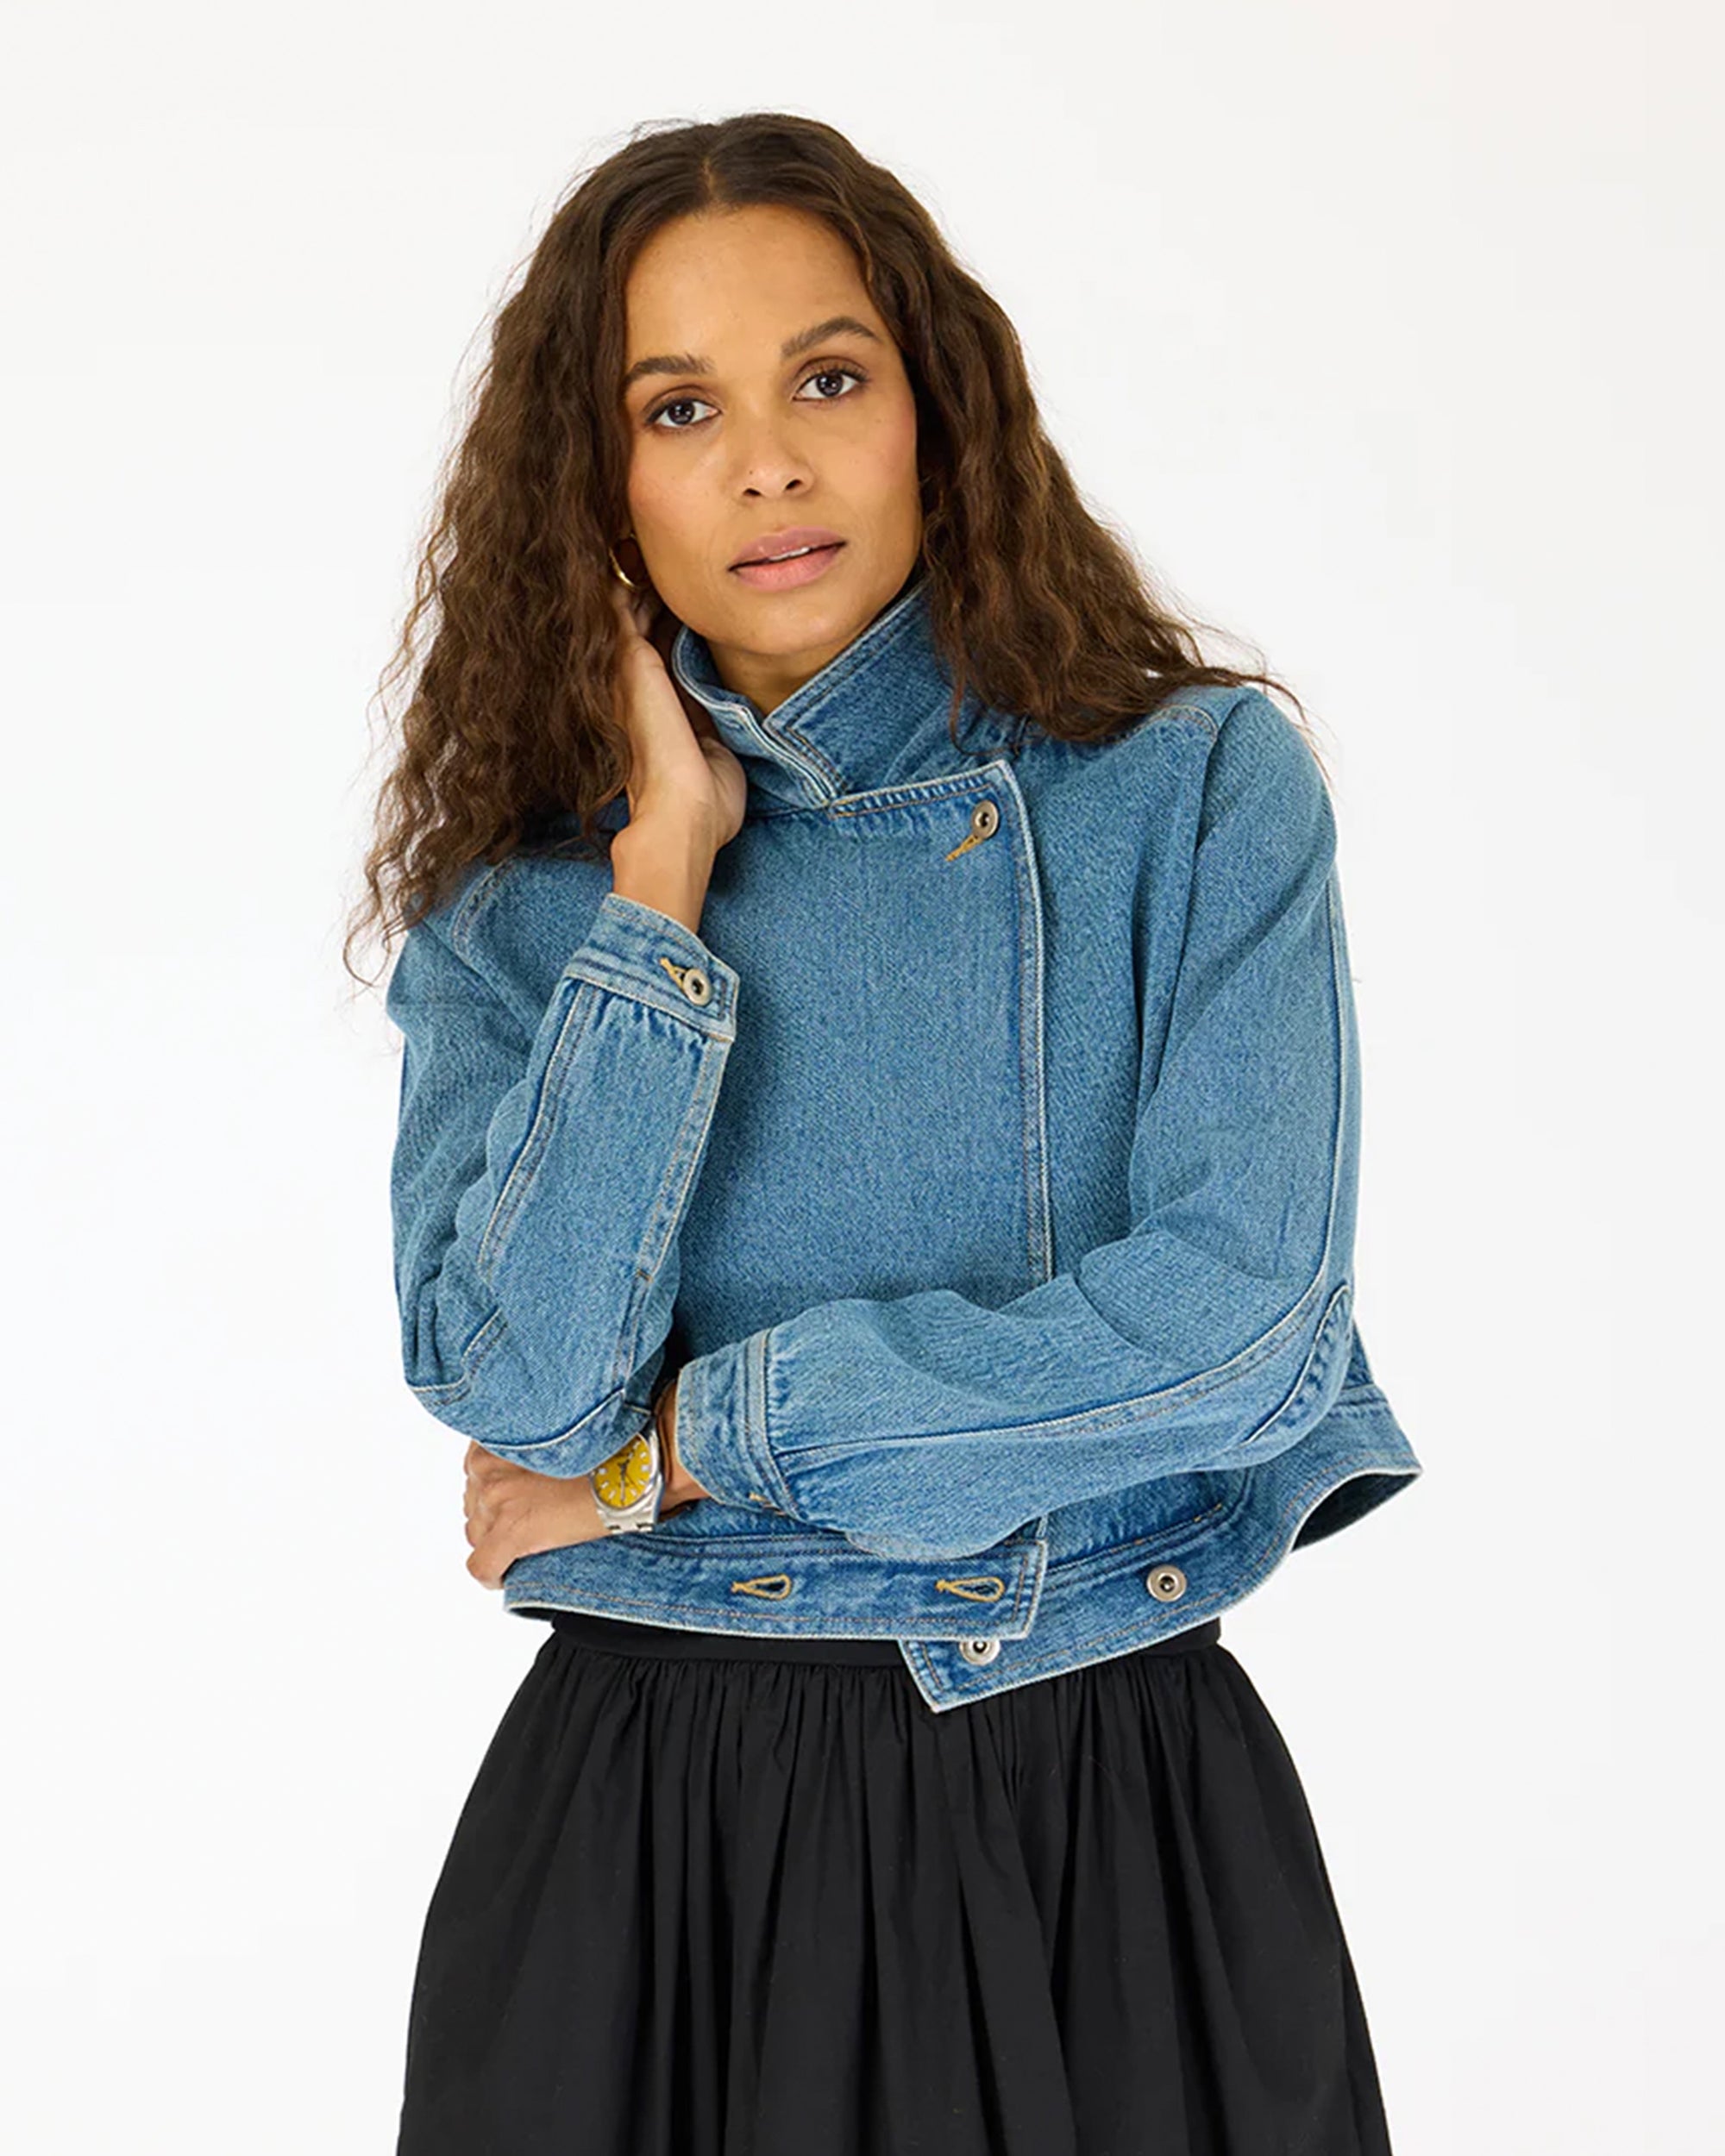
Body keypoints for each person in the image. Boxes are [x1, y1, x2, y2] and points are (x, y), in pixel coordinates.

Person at [349, 109, 1424, 2156]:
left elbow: (1237, 1331)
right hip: (647, 1843)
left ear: (940, 407)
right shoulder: (528, 909)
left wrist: (689, 1450)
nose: (769, 461)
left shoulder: (1192, 788)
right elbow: (513, 1387)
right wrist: (660, 888)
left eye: (828, 378)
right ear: (594, 486)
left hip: (1098, 1809)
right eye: (680, 408)